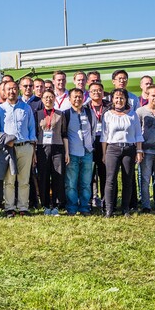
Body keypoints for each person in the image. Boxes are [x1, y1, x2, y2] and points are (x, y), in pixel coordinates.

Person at [100, 88, 143, 217]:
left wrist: (139, 150)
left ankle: (125, 209)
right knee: (110, 180)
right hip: (112, 149)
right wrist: (104, 154)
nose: (119, 100)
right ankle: (109, 209)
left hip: (129, 149)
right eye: (116, 98)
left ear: (126, 100)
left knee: (128, 180)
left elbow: (138, 134)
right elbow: (104, 136)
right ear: (112, 100)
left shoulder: (133, 114)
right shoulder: (107, 115)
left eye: (121, 98)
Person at [0, 80, 36, 216]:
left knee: (24, 180)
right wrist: (6, 141)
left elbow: (32, 128)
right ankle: (9, 207)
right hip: (8, 149)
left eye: (14, 88)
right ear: (4, 91)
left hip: (25, 147)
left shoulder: (26, 108)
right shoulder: (0, 109)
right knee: (9, 180)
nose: (11, 91)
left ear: (18, 90)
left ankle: (23, 207)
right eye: (8, 89)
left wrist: (32, 147)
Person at [34, 88, 69, 215]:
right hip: (42, 148)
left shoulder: (61, 114)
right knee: (43, 176)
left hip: (58, 148)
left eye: (51, 97)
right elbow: (34, 134)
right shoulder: (37, 114)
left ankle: (56, 204)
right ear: (42, 99)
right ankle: (45, 204)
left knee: (58, 176)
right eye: (46, 97)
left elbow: (64, 134)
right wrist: (34, 153)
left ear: (54, 99)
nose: (48, 99)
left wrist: (67, 152)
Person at [64, 88, 95, 216]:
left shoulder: (89, 113)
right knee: (71, 183)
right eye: (75, 97)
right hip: (72, 153)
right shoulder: (65, 114)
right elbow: (64, 134)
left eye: (80, 96)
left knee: (86, 183)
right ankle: (72, 208)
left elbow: (93, 131)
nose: (77, 99)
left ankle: (84, 207)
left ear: (84, 98)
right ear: (69, 99)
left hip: (87, 152)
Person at [86, 82, 109, 213]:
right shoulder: (85, 107)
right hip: (90, 143)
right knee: (88, 175)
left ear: (103, 92)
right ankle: (89, 201)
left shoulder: (109, 106)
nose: (96, 93)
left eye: (99, 90)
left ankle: (106, 203)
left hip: (105, 143)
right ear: (89, 93)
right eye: (93, 91)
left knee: (104, 174)